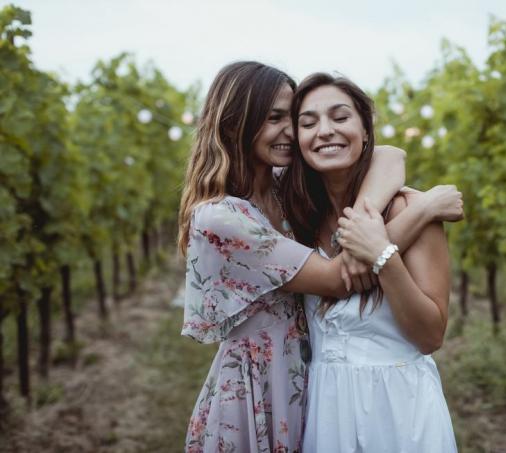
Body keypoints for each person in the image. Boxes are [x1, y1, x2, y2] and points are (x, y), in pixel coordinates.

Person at [178, 61, 463, 452]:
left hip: (320, 388)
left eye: (289, 118)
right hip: (259, 387)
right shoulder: (224, 216)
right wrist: (421, 211)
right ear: (235, 124)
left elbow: (391, 155)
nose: (292, 132)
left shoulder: (286, 194)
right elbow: (338, 278)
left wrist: (368, 218)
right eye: (277, 118)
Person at [282, 73, 460, 452]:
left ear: (366, 131)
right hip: (326, 408)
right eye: (308, 123)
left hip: (401, 408)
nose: (325, 131)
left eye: (341, 117)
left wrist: (381, 255)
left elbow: (431, 335)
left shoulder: (409, 209)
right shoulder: (297, 218)